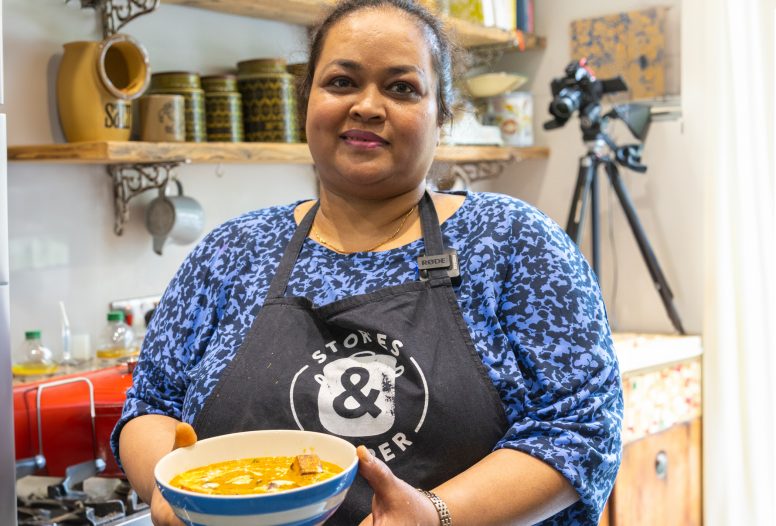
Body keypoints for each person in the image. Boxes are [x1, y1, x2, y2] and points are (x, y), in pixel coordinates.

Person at [112, 0, 623, 524]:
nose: (367, 106)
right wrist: (171, 491)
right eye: (341, 82)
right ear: (306, 98)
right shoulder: (231, 252)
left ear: (441, 115)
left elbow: (582, 429)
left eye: (402, 87)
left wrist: (438, 515)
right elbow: (150, 405)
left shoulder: (514, 242)